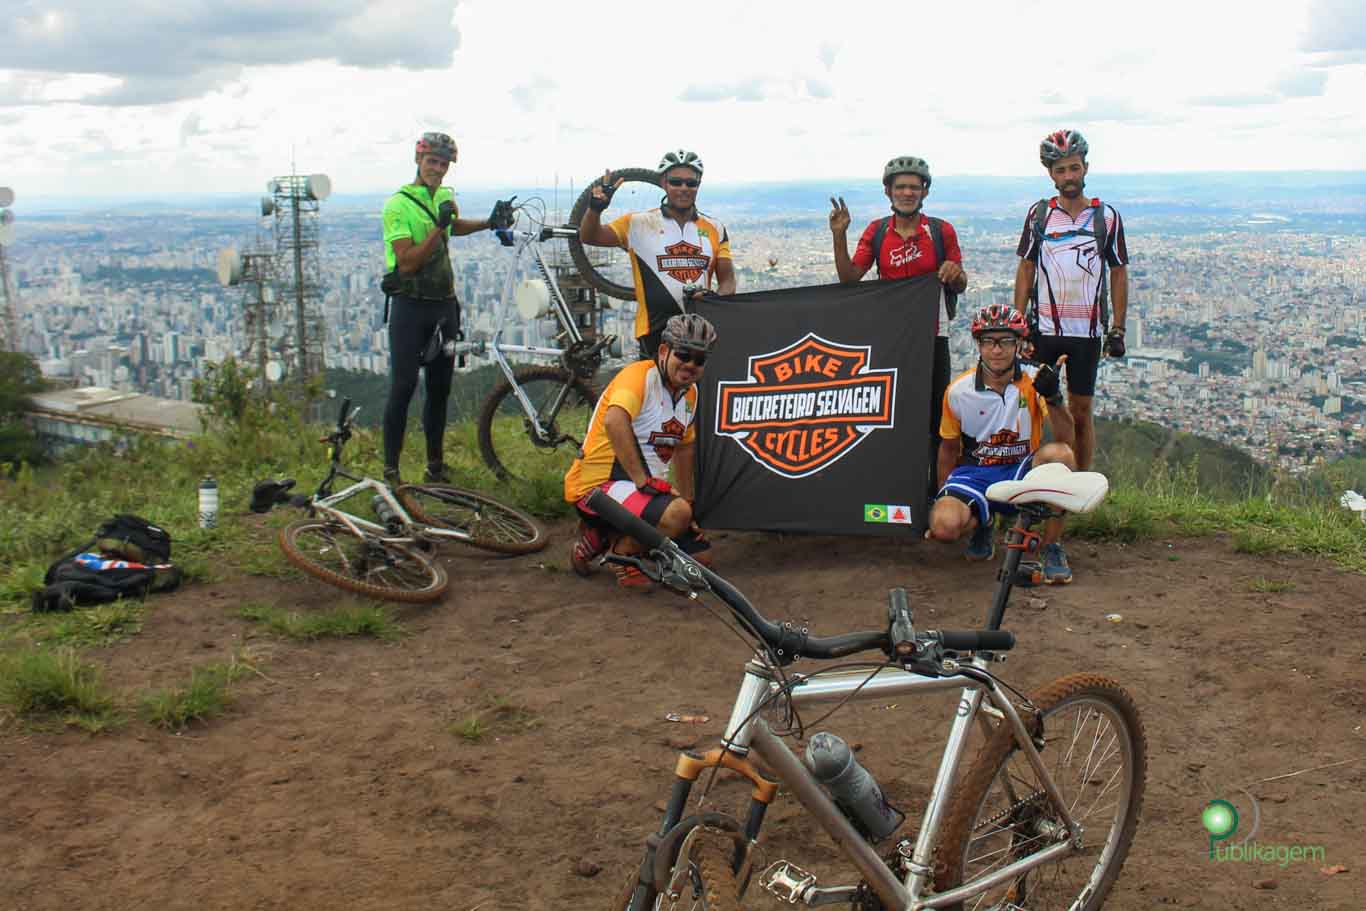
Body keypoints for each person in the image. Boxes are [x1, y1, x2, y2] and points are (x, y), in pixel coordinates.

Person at [829, 156, 968, 493]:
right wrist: (839, 236)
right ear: (888, 191)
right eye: (900, 187)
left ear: (924, 191)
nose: (907, 193)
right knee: (891, 414)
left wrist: (954, 274)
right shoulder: (877, 232)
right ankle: (893, 484)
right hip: (891, 337)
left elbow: (960, 281)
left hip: (934, 335)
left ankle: (937, 491)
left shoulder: (940, 231)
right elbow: (850, 277)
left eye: (914, 187)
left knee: (937, 417)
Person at [380, 131, 512, 484]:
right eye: (432, 162)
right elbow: (406, 262)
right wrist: (439, 227)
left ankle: (434, 467)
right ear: (418, 160)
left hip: (444, 305)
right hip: (410, 306)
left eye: (443, 163)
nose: (437, 169)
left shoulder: (444, 196)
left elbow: (453, 228)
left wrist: (489, 222)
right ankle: (391, 469)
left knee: (440, 389)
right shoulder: (398, 204)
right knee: (404, 386)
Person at [564, 313, 717, 592]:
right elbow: (614, 420)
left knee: (700, 559)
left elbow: (684, 449)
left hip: (641, 492)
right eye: (683, 354)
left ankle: (601, 537)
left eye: (700, 359)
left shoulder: (690, 395)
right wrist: (642, 480)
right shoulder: (639, 377)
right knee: (675, 516)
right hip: (597, 487)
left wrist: (688, 506)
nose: (690, 364)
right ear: (663, 351)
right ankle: (622, 554)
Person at [928, 304, 1079, 584]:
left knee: (1062, 455)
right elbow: (948, 449)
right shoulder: (959, 391)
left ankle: (1051, 547)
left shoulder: (1035, 380)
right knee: (943, 527)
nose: (997, 350)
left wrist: (1054, 397)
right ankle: (982, 521)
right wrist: (944, 495)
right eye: (989, 341)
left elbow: (1066, 438)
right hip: (976, 472)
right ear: (979, 345)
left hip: (1021, 468)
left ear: (1018, 343)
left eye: (1006, 341)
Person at [1013, 128, 1129, 471]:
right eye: (1061, 170)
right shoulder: (1039, 215)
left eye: (1074, 168)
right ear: (1050, 173)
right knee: (1030, 407)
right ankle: (1028, 481)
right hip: (1044, 328)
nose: (1068, 176)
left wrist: (1118, 328)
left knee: (1081, 410)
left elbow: (1118, 272)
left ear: (1085, 168)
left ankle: (1080, 482)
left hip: (1087, 332)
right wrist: (1018, 321)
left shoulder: (1106, 217)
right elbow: (1026, 267)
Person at [576, 150, 737, 359]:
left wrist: (714, 300)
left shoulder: (715, 228)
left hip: (699, 333)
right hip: (654, 333)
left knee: (698, 392)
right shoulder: (638, 223)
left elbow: (728, 281)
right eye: (676, 182)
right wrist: (595, 209)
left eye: (691, 183)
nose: (683, 188)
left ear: (699, 185)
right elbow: (590, 236)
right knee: (654, 390)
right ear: (663, 183)